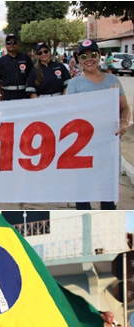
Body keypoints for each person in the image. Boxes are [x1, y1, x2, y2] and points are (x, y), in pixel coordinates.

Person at [66, 39, 130, 210]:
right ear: (78, 60)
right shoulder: (75, 84)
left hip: (108, 146)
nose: (89, 59)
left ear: (99, 56)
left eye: (93, 54)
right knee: (83, 193)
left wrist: (123, 123)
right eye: (83, 56)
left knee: (107, 196)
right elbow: (70, 115)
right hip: (84, 148)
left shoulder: (112, 80)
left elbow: (124, 108)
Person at [0, 33, 32, 101]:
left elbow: (32, 76)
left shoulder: (25, 58)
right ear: (5, 45)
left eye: (14, 42)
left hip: (24, 93)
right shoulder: (0, 61)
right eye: (9, 43)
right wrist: (0, 94)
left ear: (18, 44)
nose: (11, 44)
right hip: (8, 95)